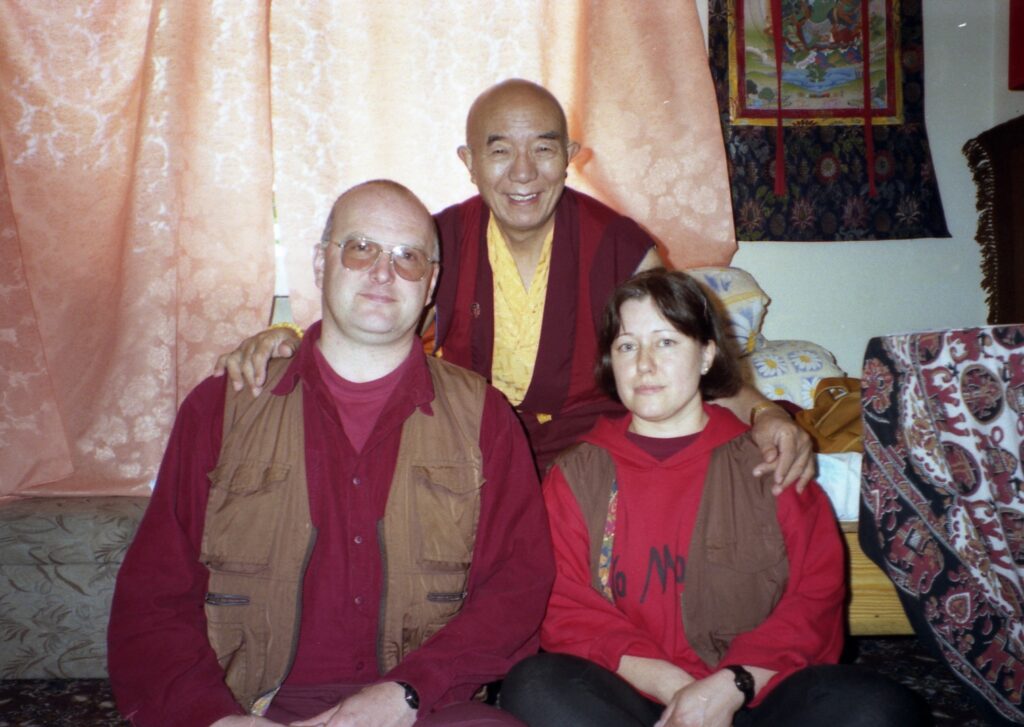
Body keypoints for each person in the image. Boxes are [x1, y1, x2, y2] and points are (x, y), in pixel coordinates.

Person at [107, 181, 554, 727]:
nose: (383, 273)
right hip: (248, 709)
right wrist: (214, 717)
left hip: (421, 708)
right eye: (361, 248)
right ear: (321, 263)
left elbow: (516, 589)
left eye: (408, 257)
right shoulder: (222, 408)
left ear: (431, 283)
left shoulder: (483, 418)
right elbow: (153, 599)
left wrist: (408, 693)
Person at [216, 79, 813, 486]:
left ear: (569, 155)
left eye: (544, 149)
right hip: (470, 447)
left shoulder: (620, 247)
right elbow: (367, 317)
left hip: (595, 451)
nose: (523, 173)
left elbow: (682, 362)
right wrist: (287, 339)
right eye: (499, 151)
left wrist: (766, 415)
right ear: (469, 162)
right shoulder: (439, 239)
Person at [499, 270, 927, 727]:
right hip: (635, 698)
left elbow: (814, 599)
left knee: (879, 708)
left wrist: (729, 686)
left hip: (755, 693)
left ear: (706, 355)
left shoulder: (771, 464)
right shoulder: (576, 474)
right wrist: (679, 692)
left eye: (666, 342)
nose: (644, 364)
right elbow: (566, 609)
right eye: (627, 346)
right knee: (534, 685)